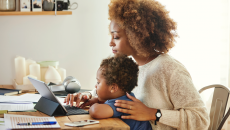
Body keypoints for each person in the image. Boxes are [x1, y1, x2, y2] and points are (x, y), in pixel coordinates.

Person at [64, 0, 210, 129]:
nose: (110, 43)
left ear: (136, 35)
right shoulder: (130, 65)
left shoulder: (169, 68)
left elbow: (201, 119)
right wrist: (88, 95)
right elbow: (114, 91)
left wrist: (154, 114)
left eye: (116, 36)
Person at [88, 55, 152, 130]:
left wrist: (94, 105)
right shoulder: (126, 97)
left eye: (98, 82)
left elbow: (96, 111)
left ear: (113, 88)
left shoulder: (123, 103)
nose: (95, 86)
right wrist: (97, 101)